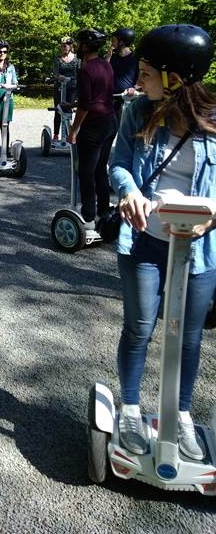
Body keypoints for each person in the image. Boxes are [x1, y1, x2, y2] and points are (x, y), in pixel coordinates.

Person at [109, 24, 216, 461]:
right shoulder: (137, 113)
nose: (139, 81)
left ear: (174, 78)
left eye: (147, 73)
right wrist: (129, 191)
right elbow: (119, 164)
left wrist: (214, 213)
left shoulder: (213, 120)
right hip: (145, 242)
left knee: (188, 337)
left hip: (198, 250)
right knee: (139, 328)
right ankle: (131, 409)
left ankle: (181, 414)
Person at [68, 29, 116, 231]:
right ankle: (104, 212)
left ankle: (88, 215)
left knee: (85, 171)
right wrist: (71, 105)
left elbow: (86, 104)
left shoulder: (86, 70)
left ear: (86, 46)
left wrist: (73, 131)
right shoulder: (106, 65)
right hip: (110, 121)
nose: (77, 47)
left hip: (94, 126)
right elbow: (100, 95)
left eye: (80, 43)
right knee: (100, 168)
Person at [106, 27, 138, 124]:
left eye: (114, 40)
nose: (112, 43)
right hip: (110, 100)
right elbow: (103, 74)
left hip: (127, 101)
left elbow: (142, 80)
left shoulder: (136, 58)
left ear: (122, 42)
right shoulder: (112, 57)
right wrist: (108, 57)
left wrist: (134, 88)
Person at [52, 36, 80, 140]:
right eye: (62, 46)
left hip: (72, 88)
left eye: (66, 45)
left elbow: (79, 72)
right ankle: (56, 134)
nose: (64, 47)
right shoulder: (57, 58)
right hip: (59, 87)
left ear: (70, 46)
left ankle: (69, 134)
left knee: (68, 110)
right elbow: (55, 72)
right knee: (58, 110)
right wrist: (59, 77)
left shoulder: (76, 59)